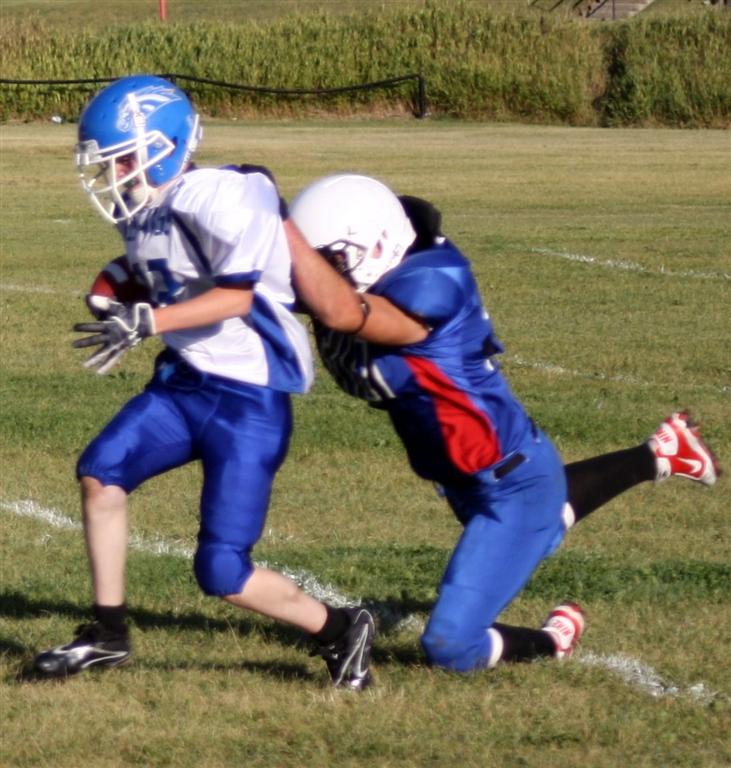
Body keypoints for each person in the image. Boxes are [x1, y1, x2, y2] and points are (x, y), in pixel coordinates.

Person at [284, 173, 720, 671]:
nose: (318, 275)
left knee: (451, 646)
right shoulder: (378, 274)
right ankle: (662, 452)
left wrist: (276, 221)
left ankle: (553, 640)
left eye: (331, 260)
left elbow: (343, 312)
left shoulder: (430, 283)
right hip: (468, 474)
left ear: (376, 244)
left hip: (512, 477)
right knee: (543, 524)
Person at [32, 77, 374, 691]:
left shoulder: (219, 196)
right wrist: (113, 288)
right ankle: (108, 632)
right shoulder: (147, 207)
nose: (114, 176)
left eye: (123, 160)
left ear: (163, 148)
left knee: (222, 572)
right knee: (101, 470)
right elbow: (152, 267)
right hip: (186, 383)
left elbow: (234, 296)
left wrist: (148, 320)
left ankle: (341, 628)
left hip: (249, 401)